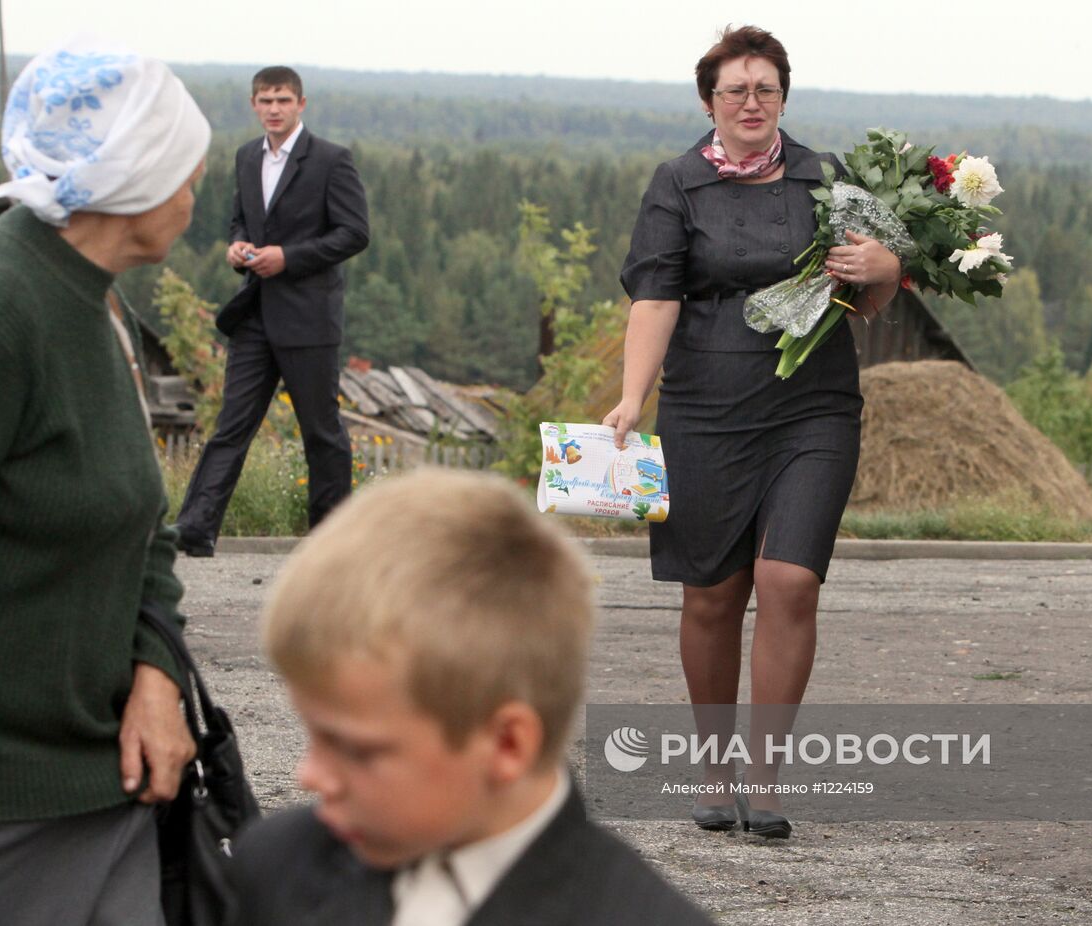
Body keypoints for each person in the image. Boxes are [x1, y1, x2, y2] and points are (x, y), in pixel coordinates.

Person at [0, 39, 209, 924]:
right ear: (133, 183)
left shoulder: (92, 297)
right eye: (186, 169)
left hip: (103, 794)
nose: (197, 192)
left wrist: (155, 671)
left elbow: (144, 523)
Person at [603, 25, 902, 839]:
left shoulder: (830, 179)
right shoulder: (676, 183)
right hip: (704, 406)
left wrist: (885, 270)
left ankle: (764, 782)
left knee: (788, 582)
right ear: (710, 101)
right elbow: (655, 298)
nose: (750, 102)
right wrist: (632, 399)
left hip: (814, 404)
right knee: (713, 595)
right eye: (735, 89)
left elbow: (871, 295)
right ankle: (714, 771)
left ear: (783, 98)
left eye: (765, 88)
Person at [227, 469, 714, 925]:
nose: (309, 775)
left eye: (357, 749)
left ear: (507, 745)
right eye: (312, 733)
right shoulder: (274, 865)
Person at [173, 66, 370, 557]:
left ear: (302, 104)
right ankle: (194, 528)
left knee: (321, 431)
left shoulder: (331, 160)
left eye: (283, 100)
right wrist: (237, 245)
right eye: (266, 101)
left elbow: (354, 232)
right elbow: (243, 217)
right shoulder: (246, 157)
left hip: (309, 319)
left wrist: (288, 257)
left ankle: (332, 541)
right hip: (255, 314)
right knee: (231, 426)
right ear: (254, 104)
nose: (274, 109)